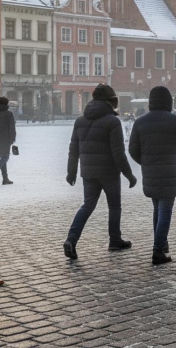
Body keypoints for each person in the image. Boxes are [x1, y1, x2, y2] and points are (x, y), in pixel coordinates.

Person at [63, 84, 137, 260]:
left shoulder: (80, 120)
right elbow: (118, 153)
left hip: (88, 171)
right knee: (114, 206)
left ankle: (71, 240)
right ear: (111, 101)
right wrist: (129, 175)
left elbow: (73, 150)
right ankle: (115, 240)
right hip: (109, 172)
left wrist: (71, 172)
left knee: (87, 205)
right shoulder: (112, 121)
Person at [128, 86, 176, 266]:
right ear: (169, 102)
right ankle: (158, 251)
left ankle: (162, 244)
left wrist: (147, 162)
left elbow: (132, 150)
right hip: (170, 173)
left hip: (150, 173)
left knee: (158, 208)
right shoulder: (175, 121)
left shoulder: (140, 122)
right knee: (165, 210)